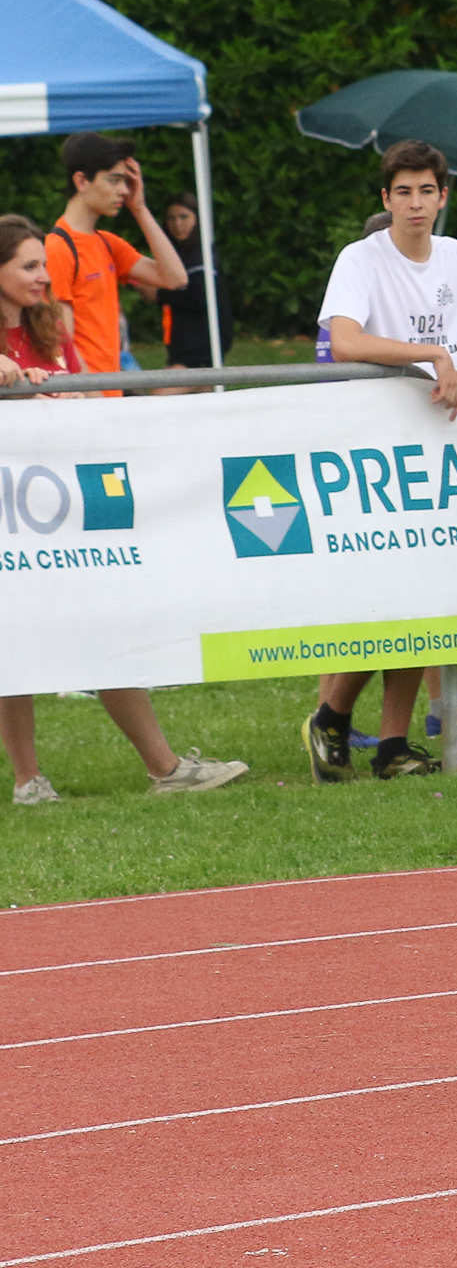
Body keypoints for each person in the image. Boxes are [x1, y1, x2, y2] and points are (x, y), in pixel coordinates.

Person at [300, 140, 457, 784]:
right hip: (376, 450)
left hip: (446, 447)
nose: (415, 203)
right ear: (386, 198)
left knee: (427, 601)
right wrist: (430, 353)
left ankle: (392, 744)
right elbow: (344, 340)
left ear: (442, 197)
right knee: (389, 601)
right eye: (402, 192)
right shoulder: (361, 258)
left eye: (426, 191)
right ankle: (332, 715)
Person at [0, 216, 248, 803]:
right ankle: (28, 780)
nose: (43, 277)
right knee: (11, 640)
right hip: (12, 518)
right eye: (29, 266)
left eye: (44, 264)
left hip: (66, 507)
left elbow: (87, 394)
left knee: (100, 622)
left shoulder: (51, 325)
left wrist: (58, 390)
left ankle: (165, 768)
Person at [48, 132, 187, 376]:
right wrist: (94, 394)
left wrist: (140, 209)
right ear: (82, 181)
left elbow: (176, 279)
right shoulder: (58, 247)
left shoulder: (107, 243)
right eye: (114, 180)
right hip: (88, 394)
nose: (124, 190)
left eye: (126, 181)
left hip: (110, 389)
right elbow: (64, 343)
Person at [153, 192, 225, 375]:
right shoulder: (176, 253)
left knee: (163, 390)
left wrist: (160, 293)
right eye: (172, 218)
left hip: (201, 348)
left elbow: (201, 296)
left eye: (184, 217)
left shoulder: (203, 254)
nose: (177, 224)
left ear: (197, 218)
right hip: (181, 347)